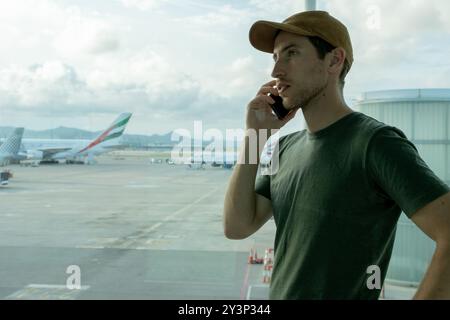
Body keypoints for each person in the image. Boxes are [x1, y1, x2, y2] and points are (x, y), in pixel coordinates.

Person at [223, 10, 450, 299]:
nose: (276, 71)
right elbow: (237, 226)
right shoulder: (284, 148)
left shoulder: (376, 143)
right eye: (275, 57)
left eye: (291, 53)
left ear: (334, 60)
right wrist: (255, 135)